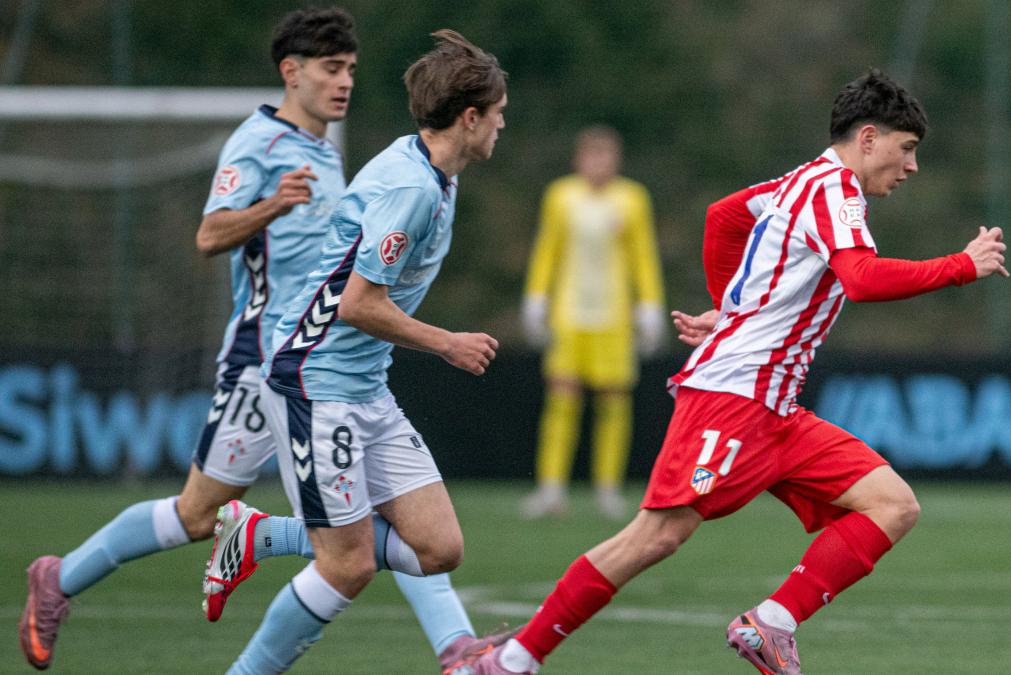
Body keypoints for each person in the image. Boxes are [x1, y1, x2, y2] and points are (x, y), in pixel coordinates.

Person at [463, 69, 1009, 674]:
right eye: (907, 150)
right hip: (734, 399)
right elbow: (861, 278)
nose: (911, 167)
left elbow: (724, 216)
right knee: (654, 538)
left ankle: (770, 624)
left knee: (892, 504)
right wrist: (962, 264)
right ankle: (511, 660)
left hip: (775, 407)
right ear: (870, 137)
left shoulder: (799, 182)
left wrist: (733, 312)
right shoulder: (834, 189)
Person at [18, 10, 500, 672]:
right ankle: (61, 575)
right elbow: (210, 235)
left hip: (319, 352)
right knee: (203, 516)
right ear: (291, 72)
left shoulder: (333, 155)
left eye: (352, 70)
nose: (344, 83)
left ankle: (452, 643)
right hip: (267, 354)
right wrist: (273, 204)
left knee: (367, 532)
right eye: (332, 70)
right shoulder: (257, 144)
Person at [220, 29, 508, 674]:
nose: (501, 125)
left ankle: (263, 534)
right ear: (469, 118)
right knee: (346, 565)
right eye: (498, 113)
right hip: (315, 381)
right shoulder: (411, 189)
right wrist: (448, 343)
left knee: (438, 549)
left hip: (365, 386)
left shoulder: (432, 172)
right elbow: (357, 305)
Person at [520, 126, 666, 519]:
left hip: (614, 316)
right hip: (570, 313)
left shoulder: (632, 199)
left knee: (613, 401)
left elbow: (643, 256)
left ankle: (608, 489)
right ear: (578, 159)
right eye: (592, 155)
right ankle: (551, 488)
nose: (598, 163)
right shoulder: (561, 196)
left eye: (606, 155)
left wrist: (650, 305)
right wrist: (536, 297)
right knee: (561, 399)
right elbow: (547, 249)